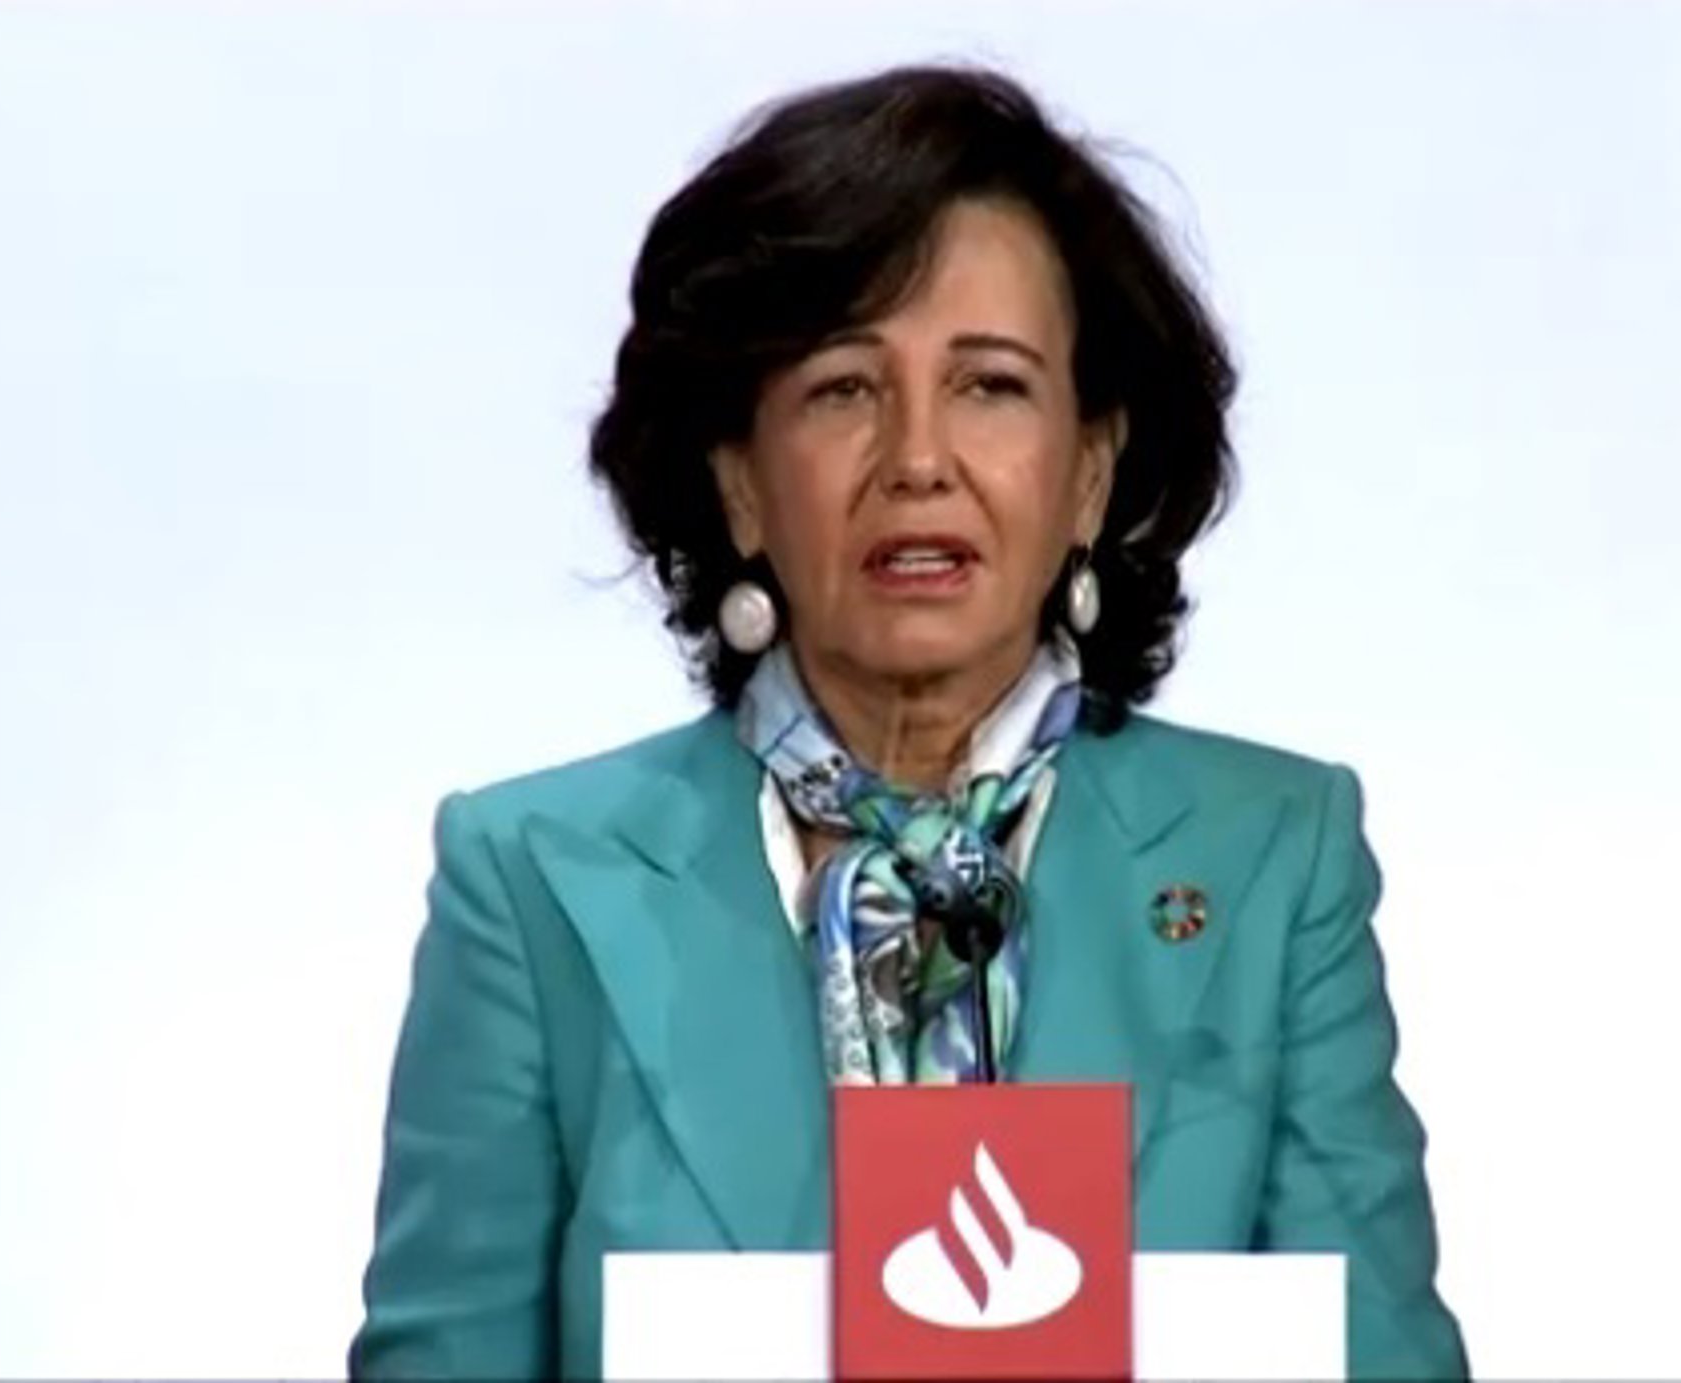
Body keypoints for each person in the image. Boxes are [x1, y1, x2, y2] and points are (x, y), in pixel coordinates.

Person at [349, 63, 1467, 1380]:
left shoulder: (1272, 857)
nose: (919, 460)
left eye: (990, 385)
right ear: (741, 483)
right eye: (843, 389)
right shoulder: (534, 880)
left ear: (1089, 472)